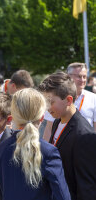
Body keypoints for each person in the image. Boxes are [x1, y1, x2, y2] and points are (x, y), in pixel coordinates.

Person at [0, 88, 71, 200]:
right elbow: (63, 197)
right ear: (42, 117)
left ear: (13, 116)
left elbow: (2, 192)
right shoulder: (49, 152)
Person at [38, 72, 96, 200]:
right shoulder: (57, 121)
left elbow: (87, 186)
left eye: (50, 102)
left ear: (69, 100)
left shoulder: (85, 135)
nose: (46, 107)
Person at [43, 63, 96, 140]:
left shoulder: (93, 98)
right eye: (78, 76)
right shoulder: (56, 97)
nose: (82, 80)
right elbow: (49, 128)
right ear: (68, 76)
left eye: (84, 77)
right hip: (60, 145)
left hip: (84, 145)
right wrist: (46, 150)